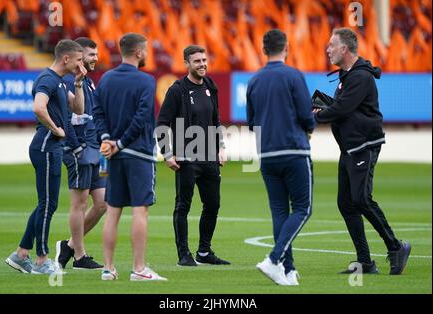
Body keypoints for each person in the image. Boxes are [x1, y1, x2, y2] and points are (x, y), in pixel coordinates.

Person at [314, 27, 411, 275]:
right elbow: (344, 107)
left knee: (361, 199)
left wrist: (316, 116)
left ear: (344, 49)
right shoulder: (348, 76)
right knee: (346, 203)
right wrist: (325, 108)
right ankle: (365, 262)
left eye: (331, 45)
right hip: (350, 148)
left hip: (363, 146)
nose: (328, 50)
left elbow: (343, 109)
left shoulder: (360, 77)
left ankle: (396, 246)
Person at [5, 40, 86, 274]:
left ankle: (21, 254)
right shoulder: (47, 79)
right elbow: (38, 107)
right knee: (48, 204)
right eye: (79, 60)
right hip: (46, 146)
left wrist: (79, 83)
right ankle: (41, 260)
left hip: (51, 147)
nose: (82, 64)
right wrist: (56, 129)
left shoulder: (61, 81)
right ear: (66, 59)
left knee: (47, 204)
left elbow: (78, 109)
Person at [93, 33, 166, 281]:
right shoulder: (146, 81)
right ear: (138, 52)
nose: (147, 54)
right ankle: (139, 268)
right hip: (139, 154)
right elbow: (143, 116)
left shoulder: (105, 79)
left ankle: (108, 268)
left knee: (113, 211)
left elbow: (97, 112)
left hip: (112, 155)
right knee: (139, 211)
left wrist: (107, 140)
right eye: (146, 50)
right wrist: (122, 143)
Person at [246, 29, 315, 286]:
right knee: (303, 208)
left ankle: (289, 270)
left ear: (264, 50)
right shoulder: (294, 75)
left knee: (279, 212)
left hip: (267, 153)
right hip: (294, 150)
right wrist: (308, 129)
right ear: (286, 47)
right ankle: (274, 260)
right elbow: (306, 115)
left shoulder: (254, 80)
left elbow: (252, 122)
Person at [156, 45, 230, 267]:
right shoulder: (177, 90)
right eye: (197, 61)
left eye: (204, 60)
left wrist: (220, 146)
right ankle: (184, 254)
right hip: (186, 157)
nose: (202, 64)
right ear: (186, 64)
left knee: (213, 204)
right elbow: (161, 123)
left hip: (208, 156)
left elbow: (215, 120)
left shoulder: (210, 86)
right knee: (183, 206)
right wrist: (167, 152)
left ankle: (204, 252)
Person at [55, 37, 106, 270]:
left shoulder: (87, 82)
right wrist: (75, 146)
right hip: (79, 149)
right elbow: (67, 117)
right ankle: (79, 256)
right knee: (80, 203)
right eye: (91, 55)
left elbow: (89, 115)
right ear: (78, 55)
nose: (95, 58)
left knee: (102, 203)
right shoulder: (67, 80)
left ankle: (68, 245)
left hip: (92, 148)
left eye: (96, 54)